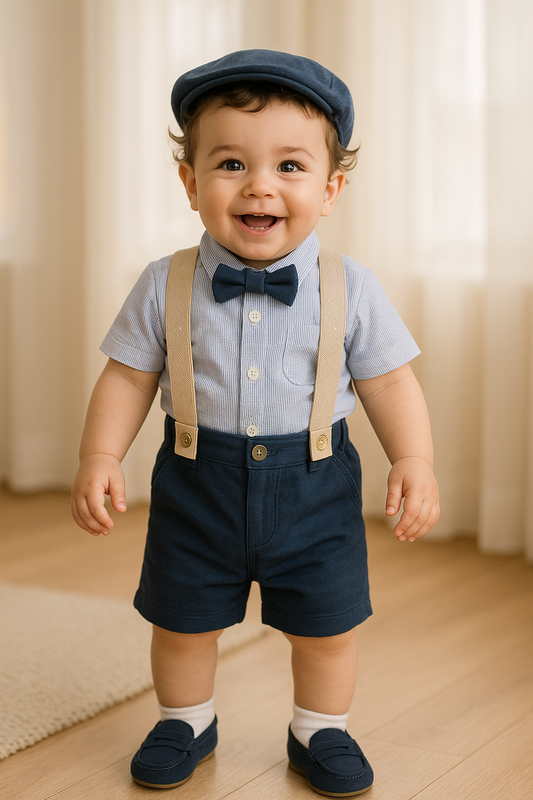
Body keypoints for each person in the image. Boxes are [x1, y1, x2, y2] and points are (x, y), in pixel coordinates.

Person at [71, 49, 439, 797]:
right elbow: (128, 376)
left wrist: (415, 460)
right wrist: (100, 454)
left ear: (330, 188)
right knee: (181, 618)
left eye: (290, 167)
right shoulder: (163, 281)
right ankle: (185, 717)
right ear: (191, 182)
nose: (260, 185)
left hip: (315, 488)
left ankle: (319, 729)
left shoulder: (350, 286)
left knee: (327, 626)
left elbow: (389, 380)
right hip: (196, 482)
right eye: (231, 163)